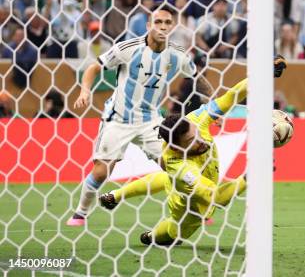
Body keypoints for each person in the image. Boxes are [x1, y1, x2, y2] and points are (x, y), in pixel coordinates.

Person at [98, 57, 288, 245]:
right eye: (191, 141)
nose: (199, 140)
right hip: (189, 204)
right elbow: (217, 198)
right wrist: (250, 176)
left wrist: (263, 74)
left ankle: (115, 196)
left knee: (165, 178)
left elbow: (231, 96)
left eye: (196, 133)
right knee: (175, 234)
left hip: (191, 173)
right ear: (178, 148)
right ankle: (151, 236)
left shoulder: (196, 119)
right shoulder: (182, 168)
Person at [66, 5, 214, 227]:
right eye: (158, 22)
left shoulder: (178, 55)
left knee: (172, 164)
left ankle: (196, 208)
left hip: (151, 121)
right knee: (101, 172)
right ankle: (80, 213)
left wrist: (211, 106)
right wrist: (85, 90)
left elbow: (198, 79)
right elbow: (93, 68)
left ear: (172, 26)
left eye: (167, 23)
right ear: (148, 25)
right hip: (118, 118)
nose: (162, 27)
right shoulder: (128, 48)